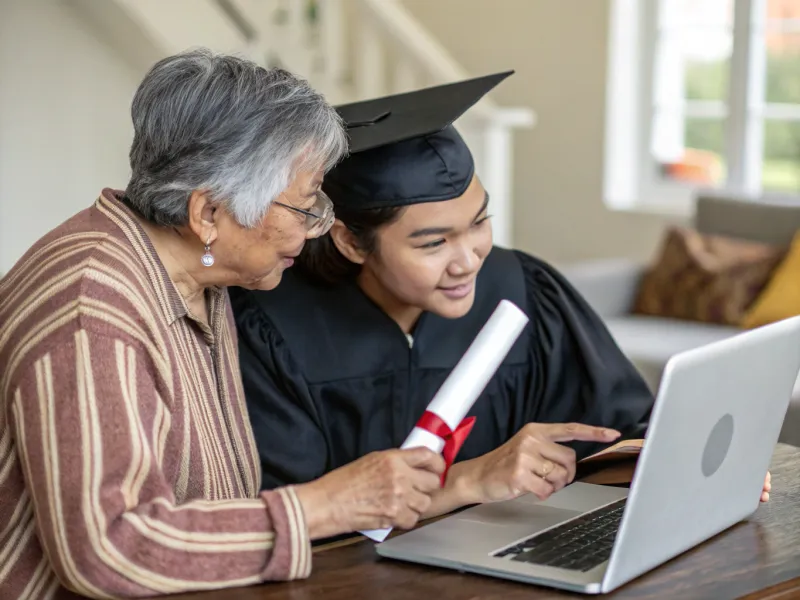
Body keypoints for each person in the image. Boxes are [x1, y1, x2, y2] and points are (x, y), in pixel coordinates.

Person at [0, 49, 449, 599]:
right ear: (207, 214)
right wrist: (322, 506)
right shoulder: (90, 313)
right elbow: (108, 548)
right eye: (305, 209)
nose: (313, 233)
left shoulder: (198, 272)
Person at [231, 72, 772, 517]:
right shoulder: (274, 325)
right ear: (350, 240)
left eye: (479, 221)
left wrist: (675, 462)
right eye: (432, 242)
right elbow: (292, 515)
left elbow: (621, 430)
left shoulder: (522, 291)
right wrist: (471, 478)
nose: (468, 260)